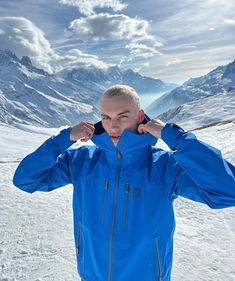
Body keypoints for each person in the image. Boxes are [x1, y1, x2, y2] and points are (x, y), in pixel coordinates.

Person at [13, 85, 235, 281]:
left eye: (122, 116)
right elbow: (25, 180)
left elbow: (227, 192)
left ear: (139, 116)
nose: (113, 127)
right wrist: (63, 139)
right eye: (106, 117)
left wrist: (174, 137)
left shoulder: (164, 166)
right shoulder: (81, 161)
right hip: (92, 276)